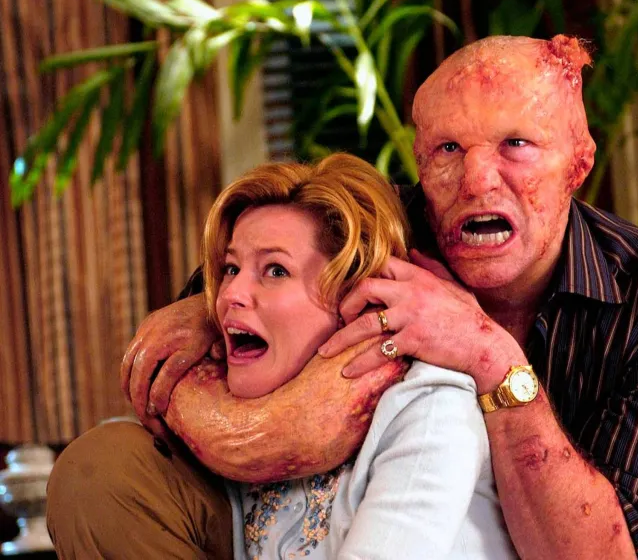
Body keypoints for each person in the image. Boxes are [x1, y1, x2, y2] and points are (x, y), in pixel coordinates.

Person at [53, 34, 638, 559]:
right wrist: (203, 308)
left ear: (579, 162)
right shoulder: (366, 230)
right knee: (104, 472)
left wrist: (490, 357)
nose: (477, 179)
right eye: (448, 148)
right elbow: (236, 299)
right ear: (419, 159)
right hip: (284, 523)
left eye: (517, 144)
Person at [49, 154, 517, 559]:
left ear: (354, 295)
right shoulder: (246, 406)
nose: (232, 294)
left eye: (275, 270)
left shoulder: (430, 409)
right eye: (231, 268)